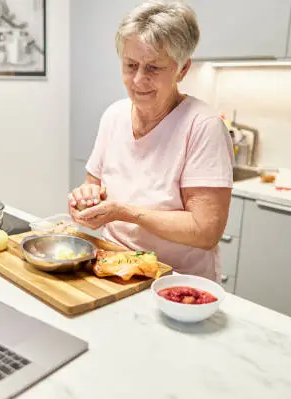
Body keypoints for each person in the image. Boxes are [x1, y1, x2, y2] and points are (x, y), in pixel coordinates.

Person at [68, 0, 234, 282]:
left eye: (154, 68)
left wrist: (123, 212)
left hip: (175, 281)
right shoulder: (114, 115)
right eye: (130, 65)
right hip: (112, 266)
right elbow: (92, 186)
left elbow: (205, 231)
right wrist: (85, 201)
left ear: (182, 69)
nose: (138, 80)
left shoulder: (202, 126)